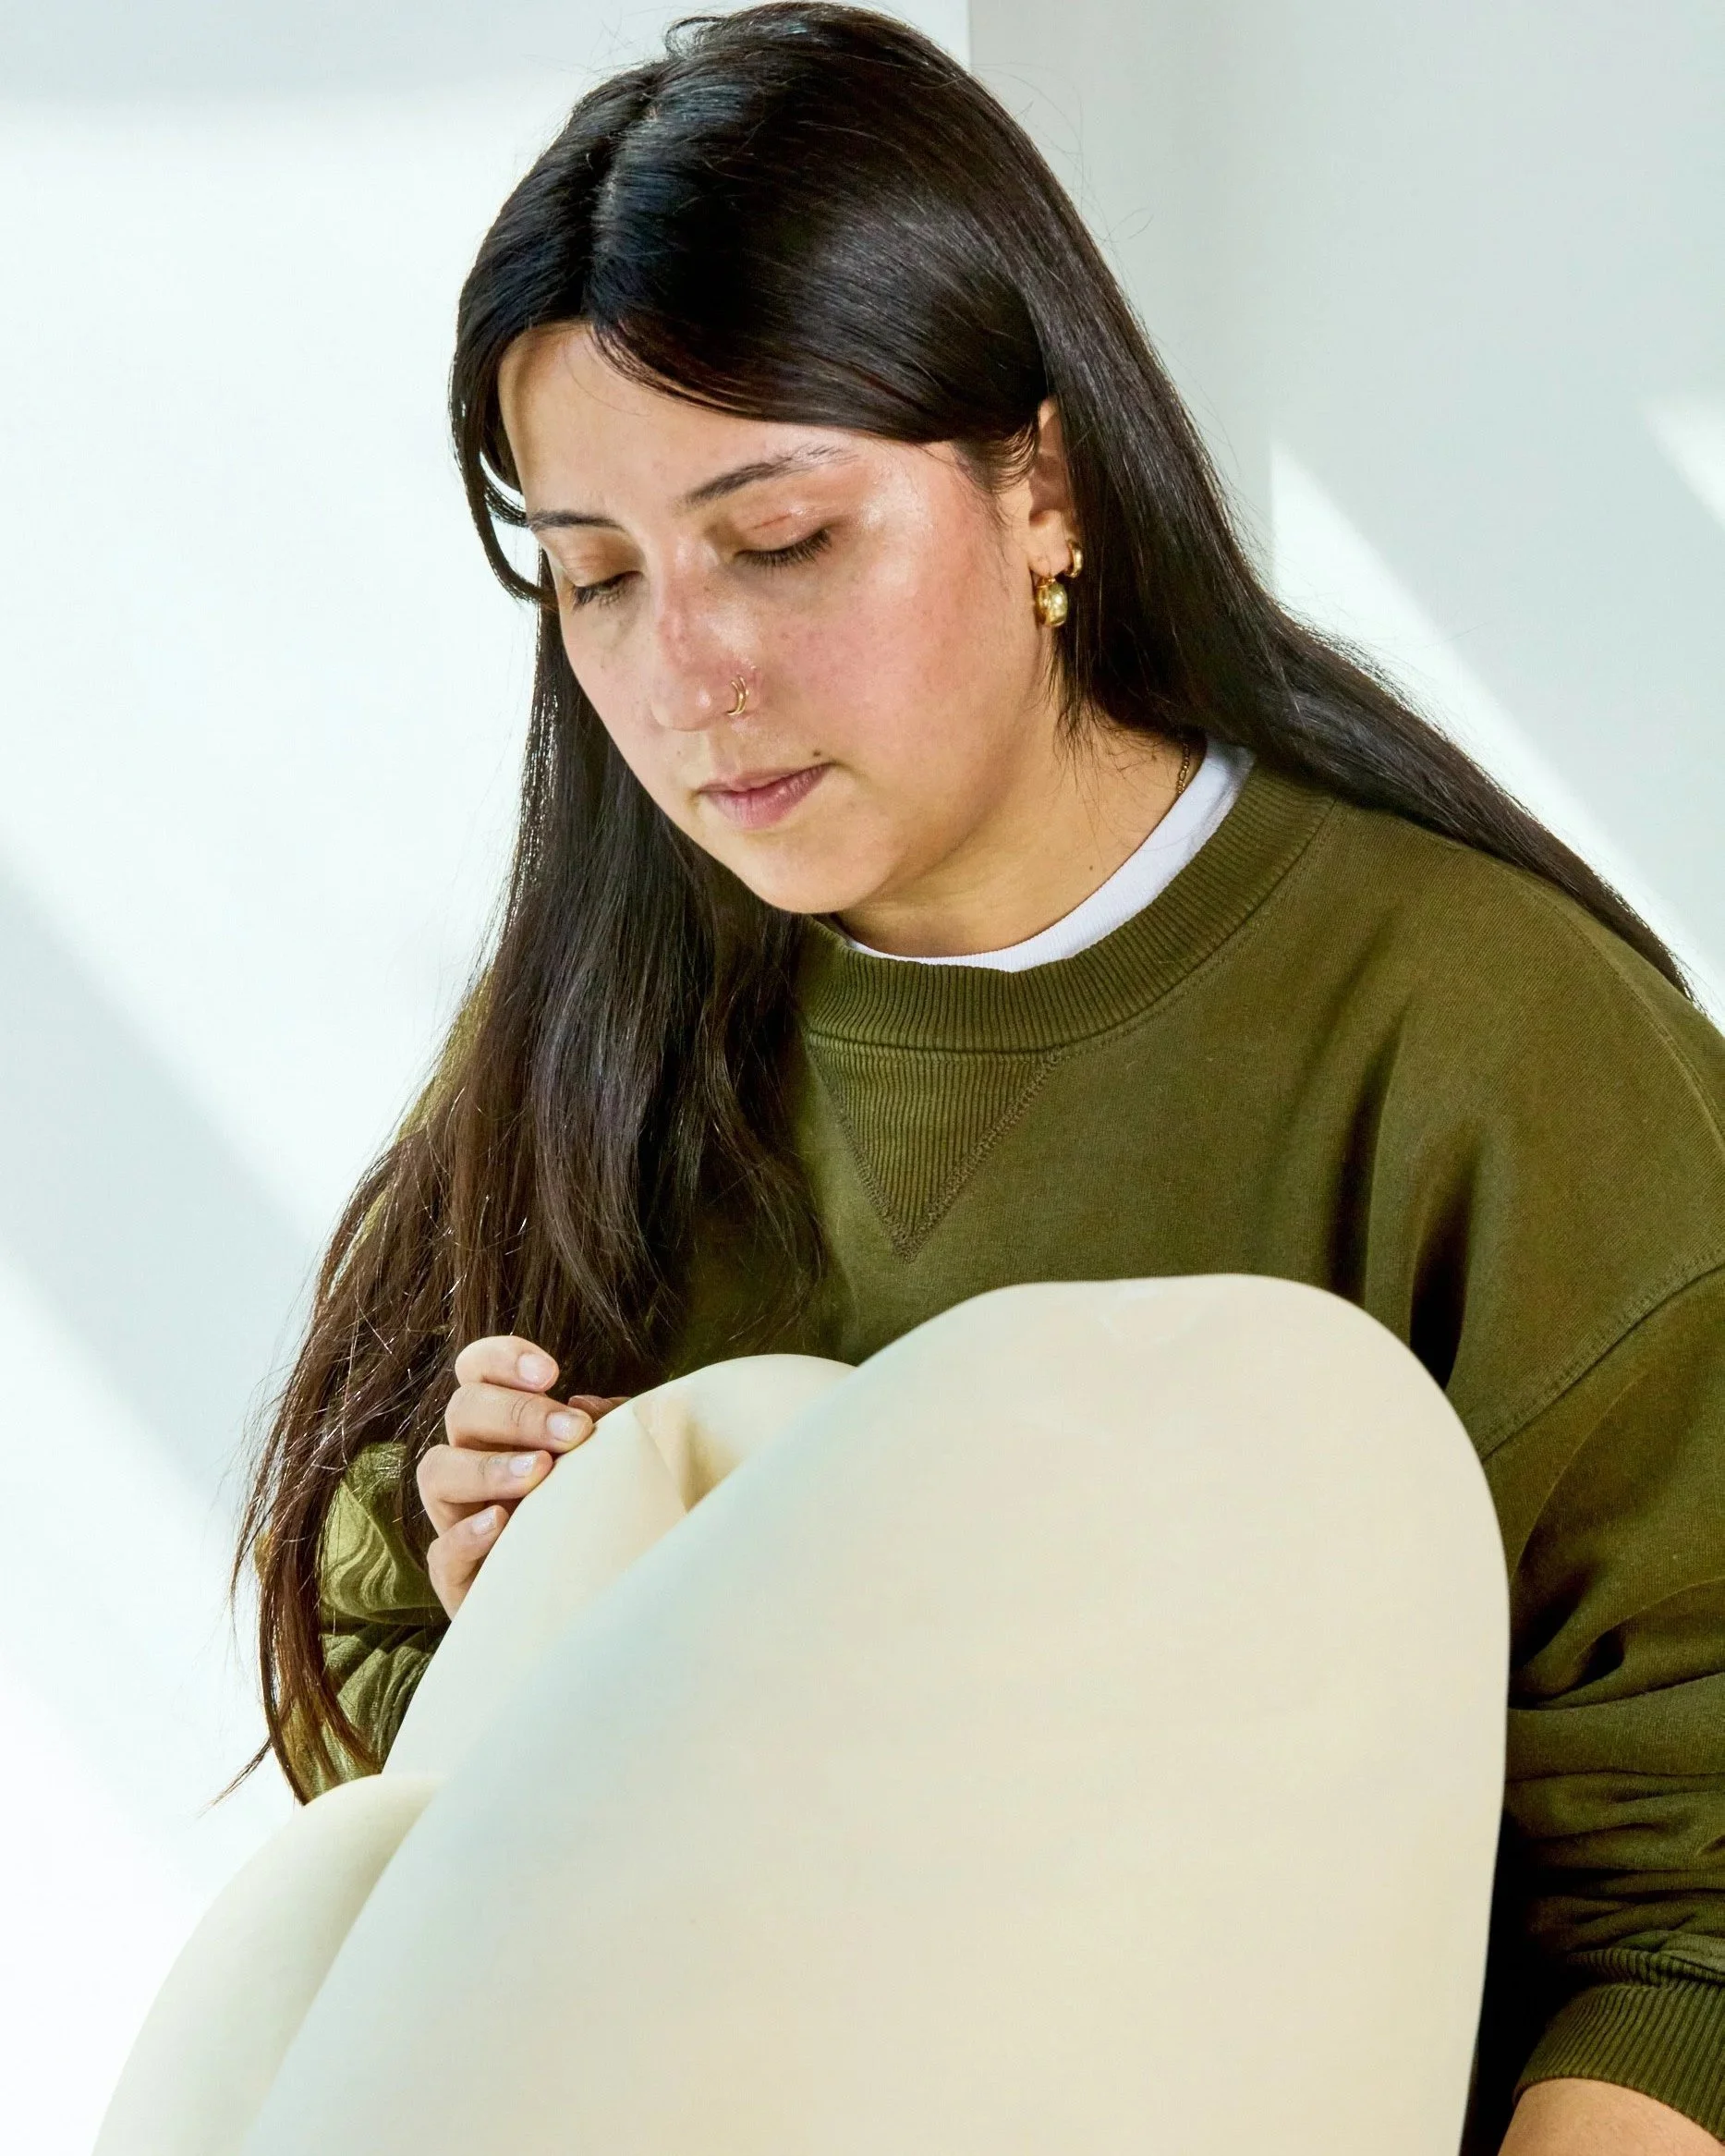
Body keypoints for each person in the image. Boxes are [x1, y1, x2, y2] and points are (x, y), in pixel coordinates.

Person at [235, 7, 1725, 2151]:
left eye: (783, 540)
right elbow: (392, 1743)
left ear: (1043, 487)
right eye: (595, 576)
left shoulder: (1493, 1049)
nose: (685, 673)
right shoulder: (601, 1016)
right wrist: (518, 1598)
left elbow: (1694, 1916)